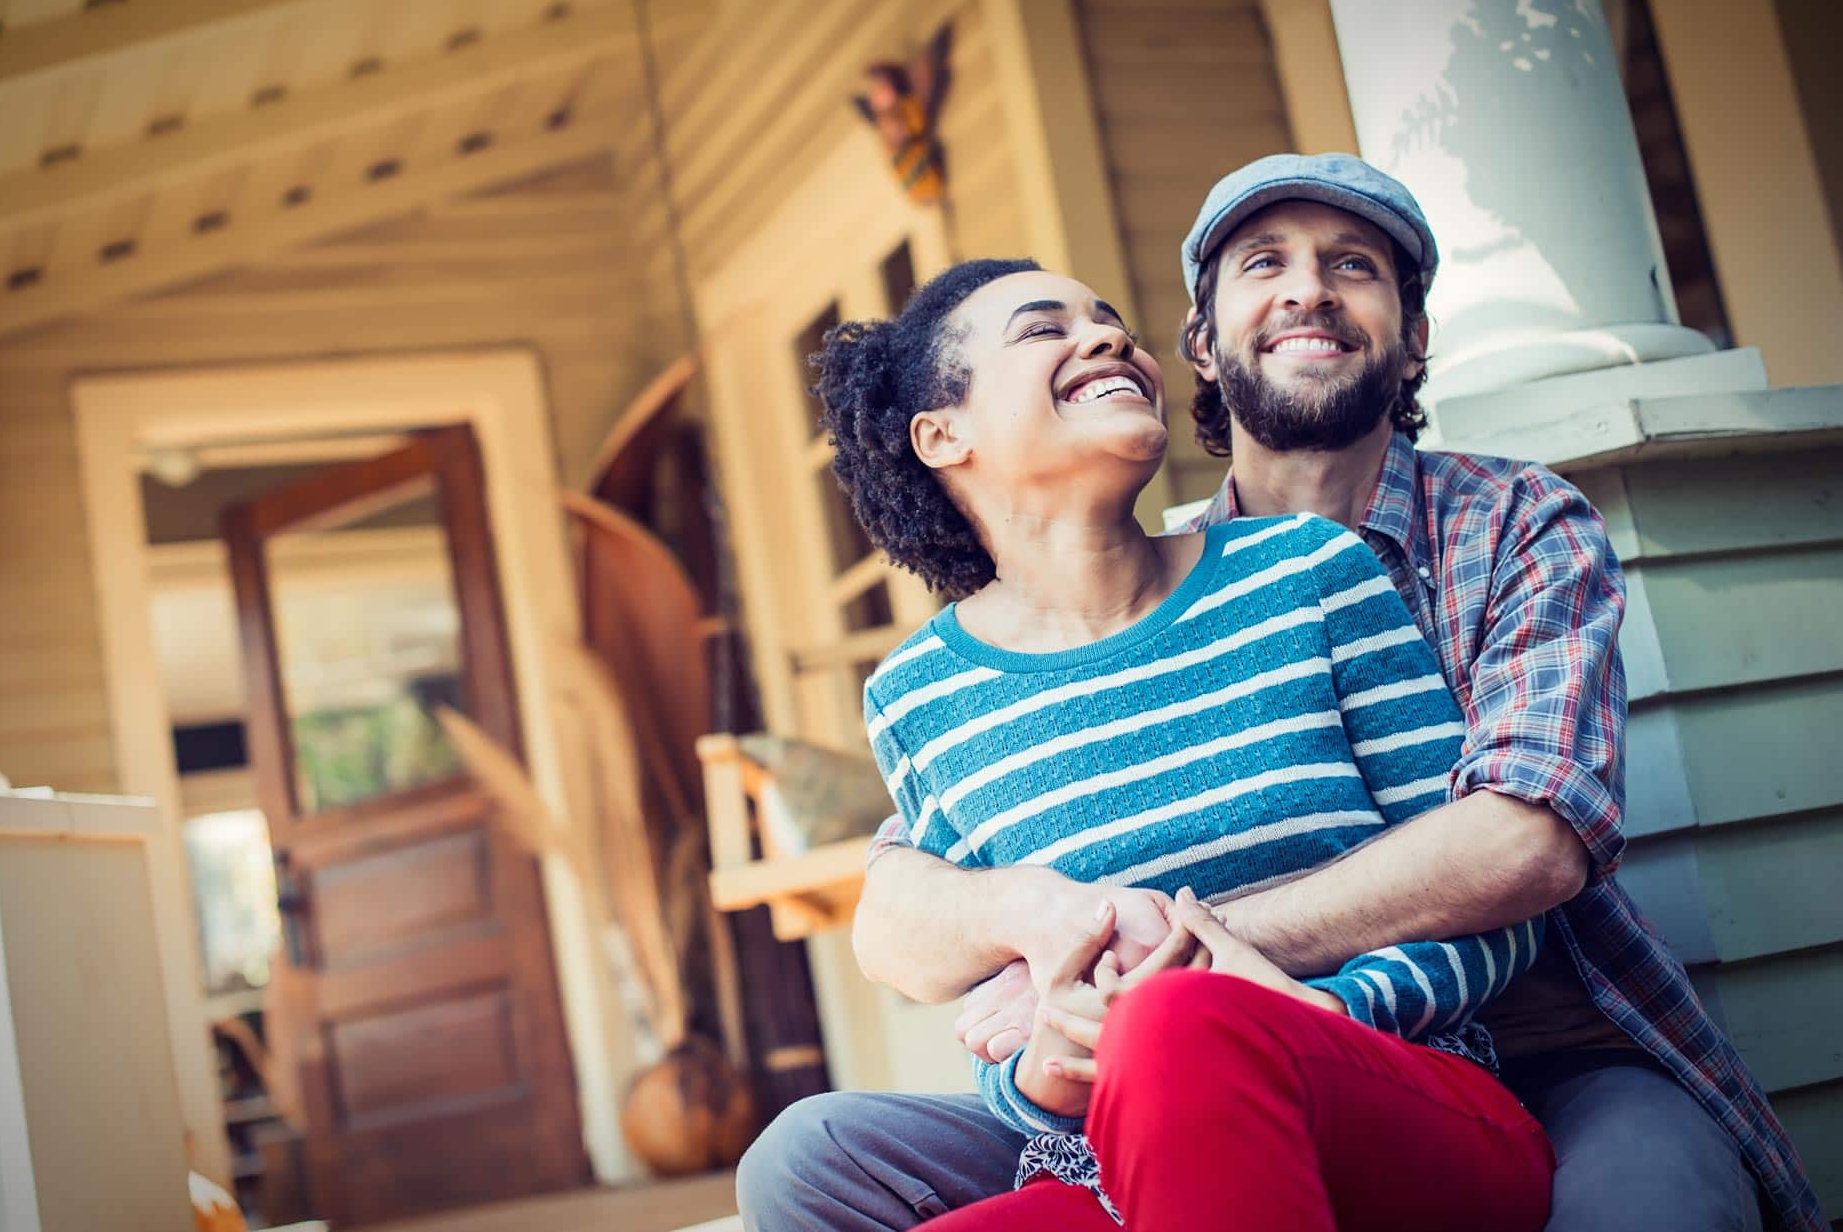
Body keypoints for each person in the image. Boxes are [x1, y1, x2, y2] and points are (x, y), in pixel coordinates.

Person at [735, 155, 1824, 1232]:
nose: (1309, 289)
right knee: (807, 1159)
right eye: (1265, 262)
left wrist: (1164, 958)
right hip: (1160, 1079)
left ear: (1414, 338)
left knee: (1648, 1206)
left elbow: (1522, 845)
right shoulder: (1103, 595)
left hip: (1539, 1051)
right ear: (1202, 343)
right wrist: (1041, 960)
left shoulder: (1506, 525)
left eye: (1353, 265)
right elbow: (909, 898)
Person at [784, 251, 1555, 1231]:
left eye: (1107, 318)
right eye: (1043, 328)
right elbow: (1009, 1032)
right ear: (942, 434)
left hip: (1403, 1103)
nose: (1107, 337)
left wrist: (1289, 1013)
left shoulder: (1309, 572)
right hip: (1118, 1161)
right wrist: (1047, 1069)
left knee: (1175, 1016)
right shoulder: (918, 695)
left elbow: (1490, 907)